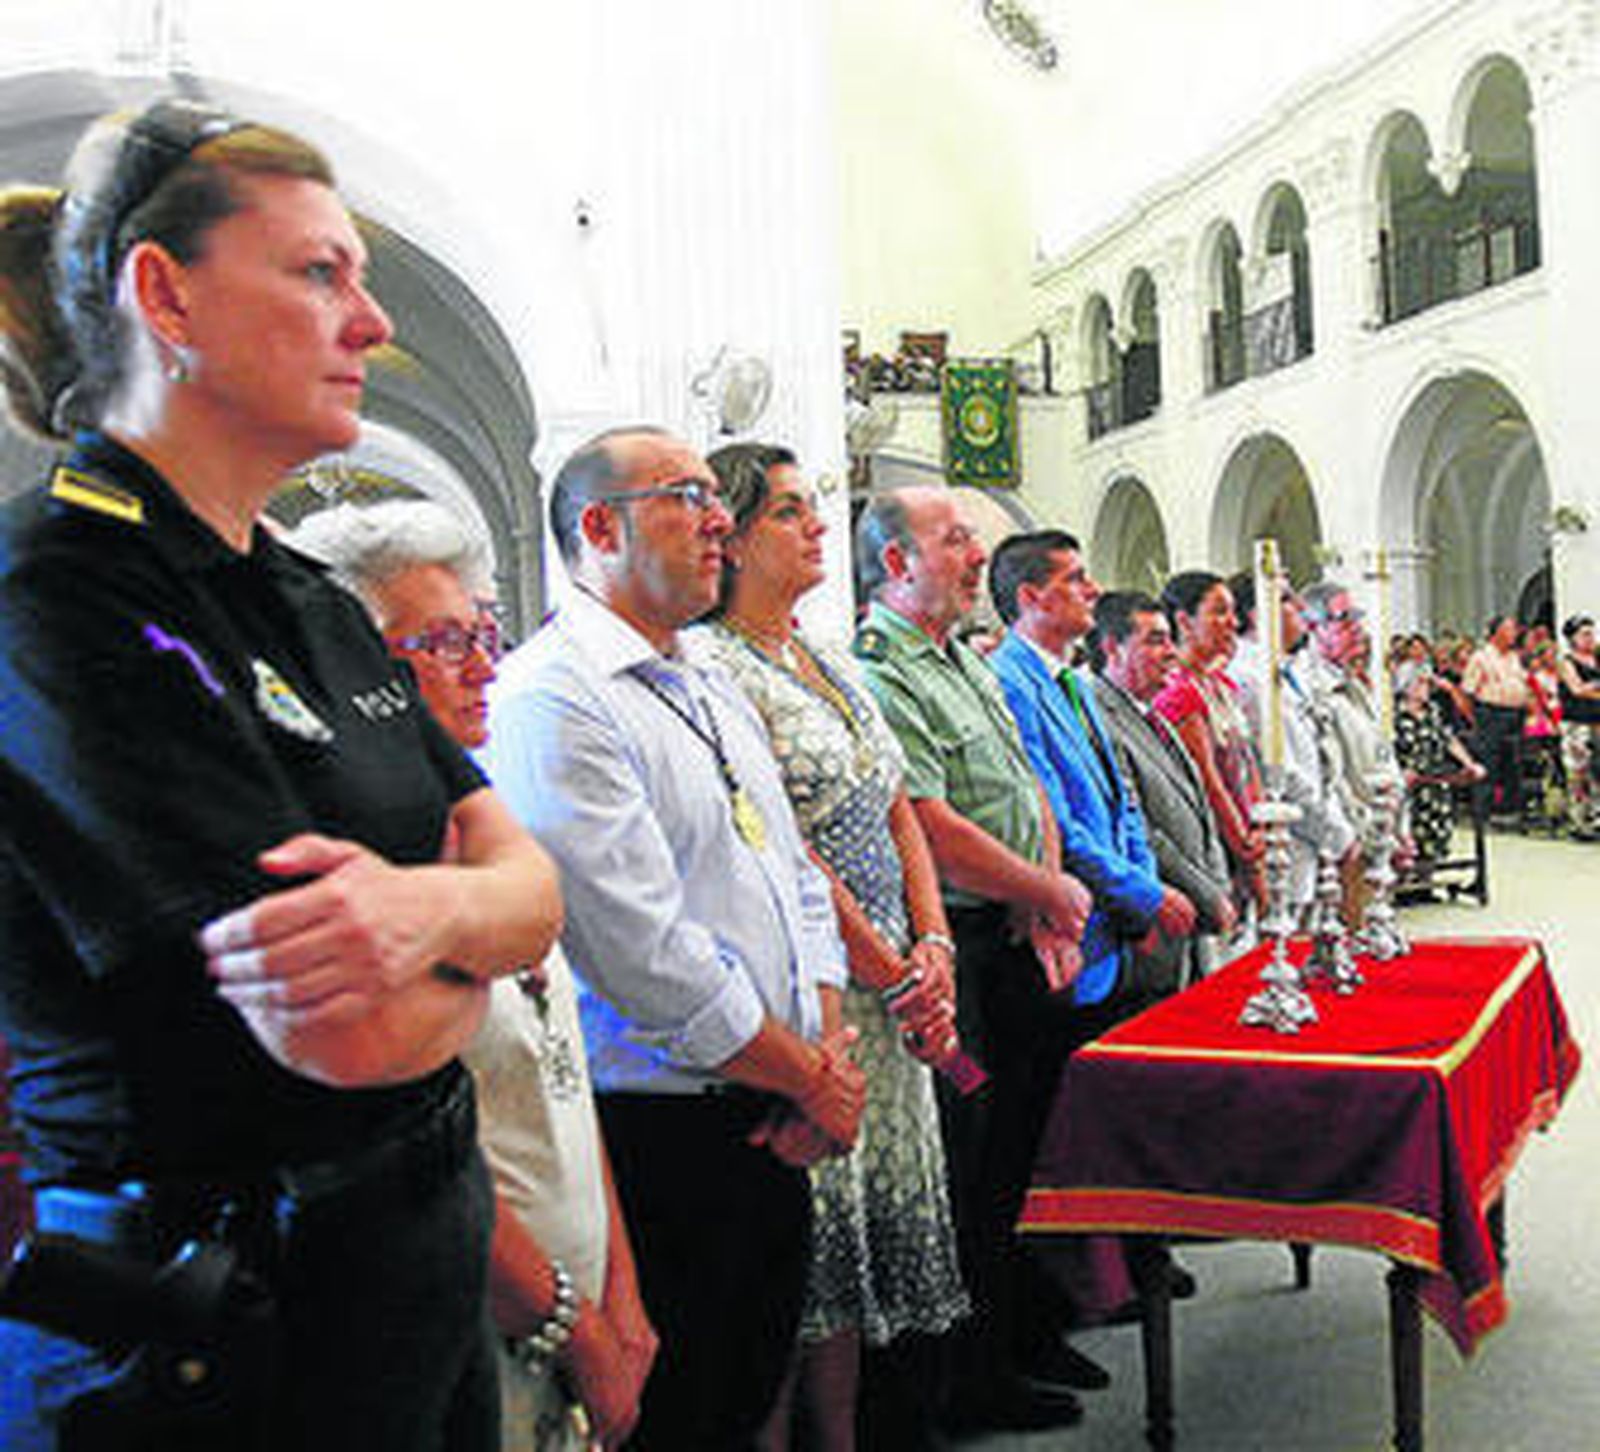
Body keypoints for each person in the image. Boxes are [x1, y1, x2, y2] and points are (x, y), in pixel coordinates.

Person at [0, 98, 563, 1452]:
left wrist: (428, 919)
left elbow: (536, 887)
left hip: (406, 1268)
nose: (372, 323)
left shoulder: (300, 592)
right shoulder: (58, 597)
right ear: (165, 295)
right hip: (221, 1325)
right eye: (320, 273)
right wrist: (479, 917)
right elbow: (350, 1038)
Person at [482, 427, 864, 1452]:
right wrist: (809, 1078)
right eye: (683, 496)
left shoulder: (703, 673)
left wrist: (822, 1050)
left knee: (744, 1397)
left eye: (713, 495)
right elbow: (640, 951)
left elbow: (792, 875)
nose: (715, 520)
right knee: (682, 1418)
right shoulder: (553, 695)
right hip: (665, 1128)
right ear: (599, 527)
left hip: (770, 1105)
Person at [285, 498, 657, 1450]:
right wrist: (573, 1330)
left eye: (485, 630)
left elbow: (559, 1089)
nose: (488, 662)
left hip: (577, 1312)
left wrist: (623, 1294)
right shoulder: (354, 885)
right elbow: (421, 1146)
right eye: (447, 640)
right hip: (466, 1332)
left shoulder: (496, 844)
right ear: (351, 670)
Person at [697, 444, 969, 1452]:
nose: (817, 526)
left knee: (857, 1263)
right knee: (809, 1260)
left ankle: (847, 1437)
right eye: (786, 512)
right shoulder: (717, 667)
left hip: (898, 983)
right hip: (816, 996)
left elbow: (897, 806)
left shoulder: (827, 657)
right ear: (728, 536)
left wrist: (933, 943)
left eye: (813, 507)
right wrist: (892, 970)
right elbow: (788, 849)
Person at [852, 487, 1095, 1435]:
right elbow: (933, 824)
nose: (970, 555)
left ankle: (1014, 1337)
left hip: (1016, 937)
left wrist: (1044, 894)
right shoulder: (883, 671)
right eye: (953, 541)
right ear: (897, 565)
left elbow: (1021, 778)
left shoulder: (961, 659)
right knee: (972, 1165)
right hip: (963, 955)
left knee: (1020, 1157)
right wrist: (1044, 894)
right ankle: (968, 1373)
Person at [988, 531, 1197, 1016]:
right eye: (1075, 578)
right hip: (1074, 930)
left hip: (1117, 927)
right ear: (1031, 596)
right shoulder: (1009, 681)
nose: (1094, 589)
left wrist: (1140, 900)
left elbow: (1121, 797)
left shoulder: (1073, 681)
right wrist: (1144, 895)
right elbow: (1055, 818)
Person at [1088, 592, 1236, 989]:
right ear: (1111, 649)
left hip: (1195, 918)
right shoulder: (1101, 718)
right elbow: (1141, 826)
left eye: (1170, 639)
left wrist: (1218, 884)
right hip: (1158, 917)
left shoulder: (1152, 714)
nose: (1172, 652)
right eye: (1155, 640)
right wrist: (1207, 896)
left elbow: (1199, 810)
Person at [1229, 572, 1356, 922]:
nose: (1300, 607)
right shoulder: (1248, 679)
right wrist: (1337, 834)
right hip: (1289, 847)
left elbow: (1321, 757)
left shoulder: (1286, 672)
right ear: (1258, 613)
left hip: (1316, 845)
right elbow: (1280, 773)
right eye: (1286, 599)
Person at [1152, 571, 1264, 932]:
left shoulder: (1218, 683)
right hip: (1219, 847)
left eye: (1233, 612)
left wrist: (1262, 822)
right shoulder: (1179, 692)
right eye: (1219, 612)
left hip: (1248, 828)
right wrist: (1247, 852)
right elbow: (1208, 782)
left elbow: (1247, 762)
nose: (1233, 623)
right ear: (1184, 621)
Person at [1393, 659, 1485, 873]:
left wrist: (1469, 763)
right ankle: (1409, 876)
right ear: (1407, 686)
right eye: (1420, 684)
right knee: (1411, 828)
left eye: (1427, 684)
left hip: (1435, 778)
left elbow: (1448, 739)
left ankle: (1428, 876)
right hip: (1408, 783)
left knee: (1438, 824)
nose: (1426, 689)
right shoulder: (1396, 714)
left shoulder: (1432, 711)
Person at [1461, 614, 1529, 824]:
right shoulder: (1480, 657)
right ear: (1496, 632)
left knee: (1513, 761)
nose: (1514, 634)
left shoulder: (1514, 657)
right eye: (1509, 629)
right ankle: (1482, 812)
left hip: (1515, 714)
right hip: (1490, 713)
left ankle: (1509, 811)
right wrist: (1475, 719)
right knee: (1488, 762)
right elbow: (1467, 692)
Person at [1557, 614, 1600, 839]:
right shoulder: (1566, 661)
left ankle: (1597, 817)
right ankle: (1579, 821)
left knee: (1597, 771)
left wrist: (1592, 688)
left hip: (1597, 722)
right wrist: (1593, 687)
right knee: (1578, 772)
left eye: (1591, 633)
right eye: (1584, 634)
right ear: (1572, 638)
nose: (1590, 638)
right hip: (1576, 723)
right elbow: (1577, 689)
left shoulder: (1597, 659)